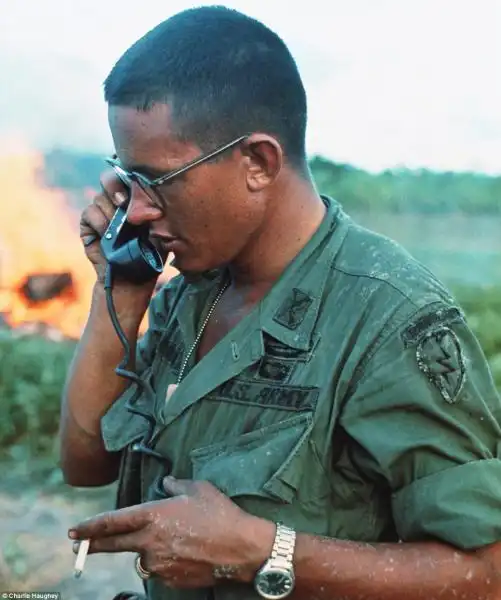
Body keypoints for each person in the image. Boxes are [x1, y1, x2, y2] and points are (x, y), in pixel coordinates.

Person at [59, 5, 501, 600]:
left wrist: (263, 553)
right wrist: (121, 289)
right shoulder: (192, 293)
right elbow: (85, 463)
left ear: (258, 164)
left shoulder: (388, 318)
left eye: (157, 180)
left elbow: (487, 572)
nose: (135, 210)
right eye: (125, 180)